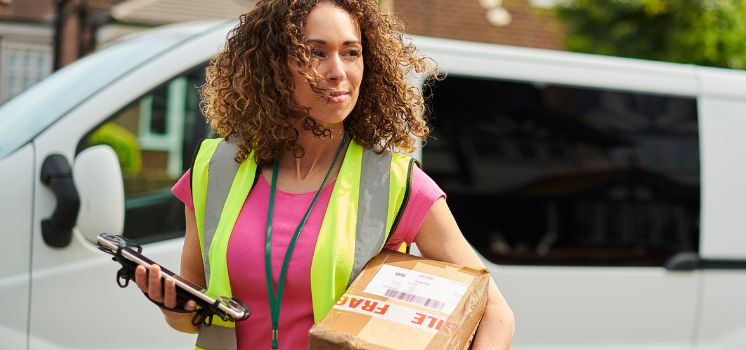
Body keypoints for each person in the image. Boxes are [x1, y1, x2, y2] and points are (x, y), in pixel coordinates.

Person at [132, 1, 515, 349]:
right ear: (274, 66)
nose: (338, 72)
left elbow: (494, 312)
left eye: (351, 53)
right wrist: (171, 305)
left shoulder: (397, 182)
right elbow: (193, 321)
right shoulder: (214, 169)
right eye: (316, 53)